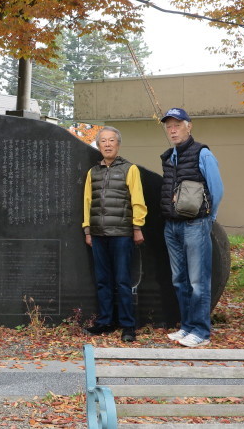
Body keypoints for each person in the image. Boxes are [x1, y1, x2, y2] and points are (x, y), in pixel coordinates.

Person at [160, 108, 223, 347]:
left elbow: (217, 189)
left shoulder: (202, 153)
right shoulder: (169, 157)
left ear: (189, 126)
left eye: (178, 124)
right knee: (180, 280)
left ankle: (201, 332)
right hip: (172, 226)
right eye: (169, 126)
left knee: (198, 281)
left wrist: (209, 218)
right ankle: (187, 327)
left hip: (196, 224)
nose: (173, 129)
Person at [83, 126, 147, 342]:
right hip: (98, 234)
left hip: (122, 233)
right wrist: (87, 230)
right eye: (103, 141)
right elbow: (87, 203)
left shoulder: (130, 169)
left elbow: (137, 200)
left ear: (118, 144)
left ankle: (128, 326)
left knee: (122, 281)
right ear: (98, 145)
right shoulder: (93, 172)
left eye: (111, 140)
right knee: (102, 281)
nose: (107, 144)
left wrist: (137, 227)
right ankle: (105, 322)